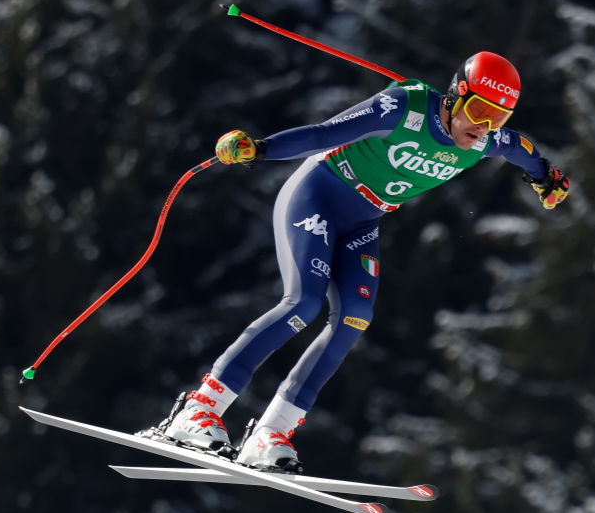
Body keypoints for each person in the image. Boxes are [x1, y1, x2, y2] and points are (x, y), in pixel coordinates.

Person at [152, 51, 569, 473]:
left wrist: (545, 178)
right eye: (479, 109)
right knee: (304, 303)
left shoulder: (486, 140)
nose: (482, 126)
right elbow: (321, 135)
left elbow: (524, 149)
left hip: (363, 220)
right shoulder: (403, 108)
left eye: (497, 117)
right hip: (318, 195)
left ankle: (271, 432)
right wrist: (259, 150)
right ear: (456, 95)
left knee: (355, 315)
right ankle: (199, 409)